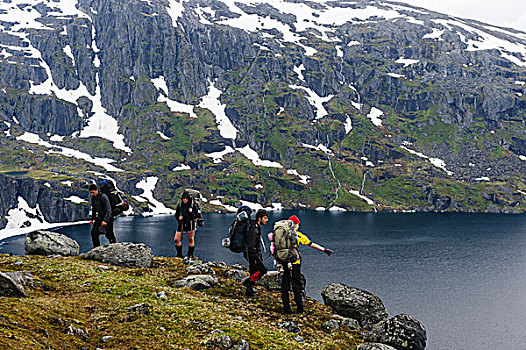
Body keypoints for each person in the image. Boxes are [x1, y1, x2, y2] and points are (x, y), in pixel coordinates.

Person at [280, 215, 333, 314]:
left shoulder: (281, 234)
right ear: (295, 224)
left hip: (284, 263)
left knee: (285, 286)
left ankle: (286, 309)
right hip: (295, 263)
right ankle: (300, 309)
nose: (298, 226)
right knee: (297, 286)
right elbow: (311, 244)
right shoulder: (298, 235)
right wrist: (324, 250)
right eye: (297, 224)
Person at [242, 209, 269, 297]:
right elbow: (251, 244)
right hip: (252, 254)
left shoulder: (256, 227)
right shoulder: (253, 229)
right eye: (265, 218)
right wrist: (256, 256)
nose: (267, 220)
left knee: (254, 271)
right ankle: (248, 282)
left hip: (252, 254)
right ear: (259, 218)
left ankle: (249, 291)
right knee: (263, 269)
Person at [89, 183, 116, 247]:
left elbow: (108, 210)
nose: (92, 194)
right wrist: (92, 219)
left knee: (109, 234)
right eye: (90, 193)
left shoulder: (103, 197)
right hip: (100, 217)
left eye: (93, 192)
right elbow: (94, 209)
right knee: (94, 233)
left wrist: (105, 220)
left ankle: (114, 247)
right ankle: (96, 248)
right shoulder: (93, 198)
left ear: (97, 190)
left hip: (108, 218)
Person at [174, 191, 200, 258]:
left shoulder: (192, 205)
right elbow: (176, 214)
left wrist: (191, 213)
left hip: (190, 224)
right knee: (176, 239)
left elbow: (197, 215)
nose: (185, 200)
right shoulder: (180, 205)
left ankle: (190, 255)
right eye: (183, 198)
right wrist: (179, 218)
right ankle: (179, 254)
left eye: (186, 198)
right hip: (181, 224)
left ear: (188, 198)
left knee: (191, 239)